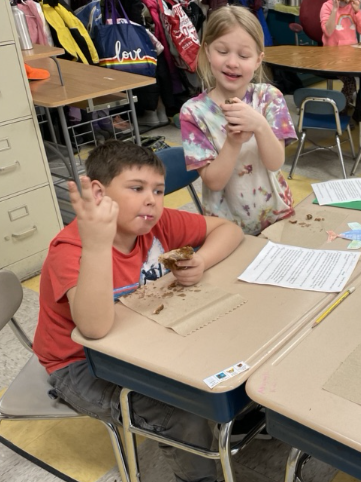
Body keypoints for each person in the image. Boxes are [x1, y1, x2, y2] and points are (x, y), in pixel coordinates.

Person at [32, 141, 245, 482]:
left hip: (141, 339)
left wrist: (202, 261)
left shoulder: (155, 223)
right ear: (99, 193)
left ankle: (230, 425)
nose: (152, 200)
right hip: (80, 363)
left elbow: (229, 230)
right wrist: (98, 244)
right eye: (136, 188)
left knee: (228, 348)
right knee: (179, 413)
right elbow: (95, 330)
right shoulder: (71, 249)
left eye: (158, 191)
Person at [180, 5, 297, 235]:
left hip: (276, 215)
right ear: (207, 51)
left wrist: (260, 125)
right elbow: (214, 182)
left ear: (258, 60)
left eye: (243, 56)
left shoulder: (269, 98)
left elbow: (275, 163)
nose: (233, 62)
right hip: (226, 229)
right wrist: (233, 142)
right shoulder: (193, 113)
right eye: (222, 51)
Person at [320, 0, 361, 116]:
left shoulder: (352, 7)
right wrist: (334, 10)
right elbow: (328, 32)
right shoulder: (327, 6)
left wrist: (357, 12)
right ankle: (340, 113)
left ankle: (360, 112)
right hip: (333, 57)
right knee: (350, 83)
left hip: (352, 56)